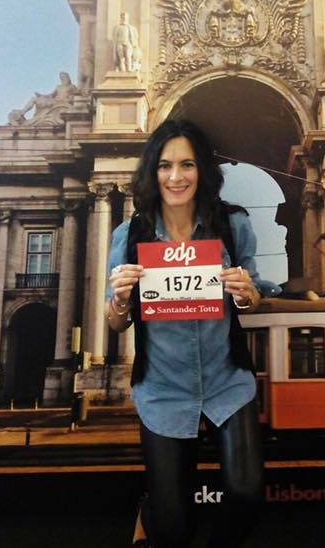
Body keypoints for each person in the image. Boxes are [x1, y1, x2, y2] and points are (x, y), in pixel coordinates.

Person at [105, 119, 278, 548]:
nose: (176, 177)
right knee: (173, 528)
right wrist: (121, 299)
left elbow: (252, 299)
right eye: (165, 166)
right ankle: (152, 512)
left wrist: (246, 293)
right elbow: (116, 322)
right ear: (152, 171)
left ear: (202, 170)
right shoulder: (129, 236)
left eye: (187, 164)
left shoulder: (233, 225)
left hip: (226, 381)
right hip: (163, 387)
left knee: (246, 494)